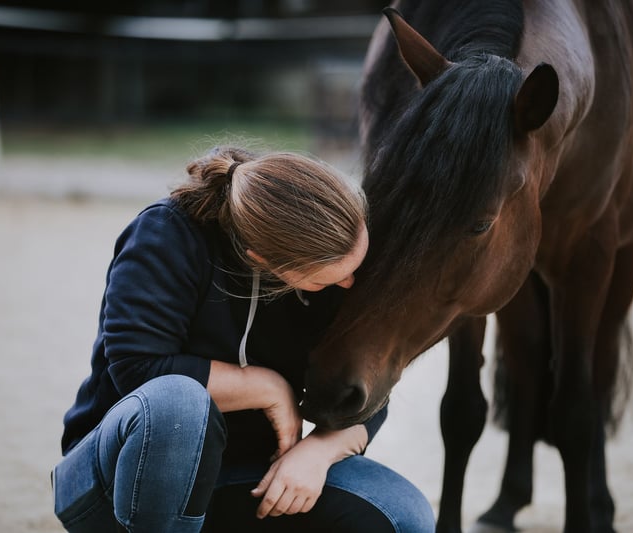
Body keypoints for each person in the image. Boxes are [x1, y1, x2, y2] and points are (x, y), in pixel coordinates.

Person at [51, 145, 435, 533]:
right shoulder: (166, 233)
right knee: (179, 403)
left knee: (405, 516)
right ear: (263, 261)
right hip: (118, 482)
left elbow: (364, 384)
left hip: (245, 474)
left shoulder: (334, 273)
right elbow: (137, 367)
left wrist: (320, 451)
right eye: (328, 278)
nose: (350, 284)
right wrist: (267, 388)